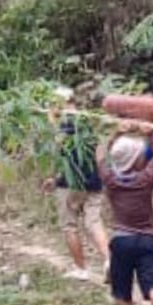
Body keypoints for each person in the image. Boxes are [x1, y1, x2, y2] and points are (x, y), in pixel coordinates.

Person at [96, 123, 153, 305]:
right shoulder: (145, 179)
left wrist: (115, 133)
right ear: (137, 159)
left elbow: (100, 154)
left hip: (121, 239)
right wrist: (151, 136)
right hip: (148, 238)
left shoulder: (110, 179)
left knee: (120, 286)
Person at [45, 111, 110, 282]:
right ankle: (109, 260)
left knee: (70, 226)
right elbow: (100, 157)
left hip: (70, 184)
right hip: (94, 182)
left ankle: (81, 269)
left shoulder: (64, 126)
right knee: (94, 222)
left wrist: (51, 123)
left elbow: (58, 152)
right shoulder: (92, 126)